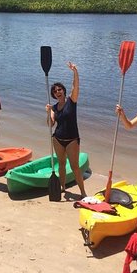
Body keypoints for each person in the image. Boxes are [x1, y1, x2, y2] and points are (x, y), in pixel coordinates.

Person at [46, 61, 86, 198]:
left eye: (59, 90)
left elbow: (76, 86)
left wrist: (75, 71)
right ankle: (62, 188)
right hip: (57, 139)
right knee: (61, 165)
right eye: (55, 91)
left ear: (63, 90)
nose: (57, 92)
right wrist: (48, 112)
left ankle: (83, 192)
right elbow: (50, 124)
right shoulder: (54, 108)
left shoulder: (71, 101)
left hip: (72, 140)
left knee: (75, 167)